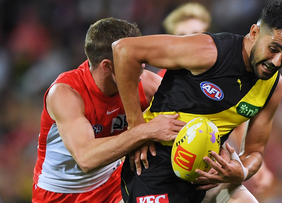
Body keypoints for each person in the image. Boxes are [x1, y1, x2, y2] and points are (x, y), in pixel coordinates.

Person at [112, 1, 282, 203]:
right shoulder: (209, 51)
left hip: (208, 177)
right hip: (153, 165)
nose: (276, 61)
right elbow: (124, 50)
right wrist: (137, 129)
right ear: (255, 32)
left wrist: (241, 171)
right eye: (273, 49)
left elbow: (254, 151)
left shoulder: (274, 86)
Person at [32, 17, 186, 203]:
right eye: (133, 59)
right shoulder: (66, 93)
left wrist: (228, 156)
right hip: (59, 194)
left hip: (113, 184)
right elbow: (86, 159)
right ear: (107, 66)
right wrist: (146, 130)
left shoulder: (145, 83)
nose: (143, 65)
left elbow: (192, 112)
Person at [161, 2, 275, 198]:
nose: (189, 41)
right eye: (182, 36)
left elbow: (238, 123)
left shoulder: (223, 77)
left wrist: (249, 166)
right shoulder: (159, 83)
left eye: (196, 34)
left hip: (212, 172)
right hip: (166, 170)